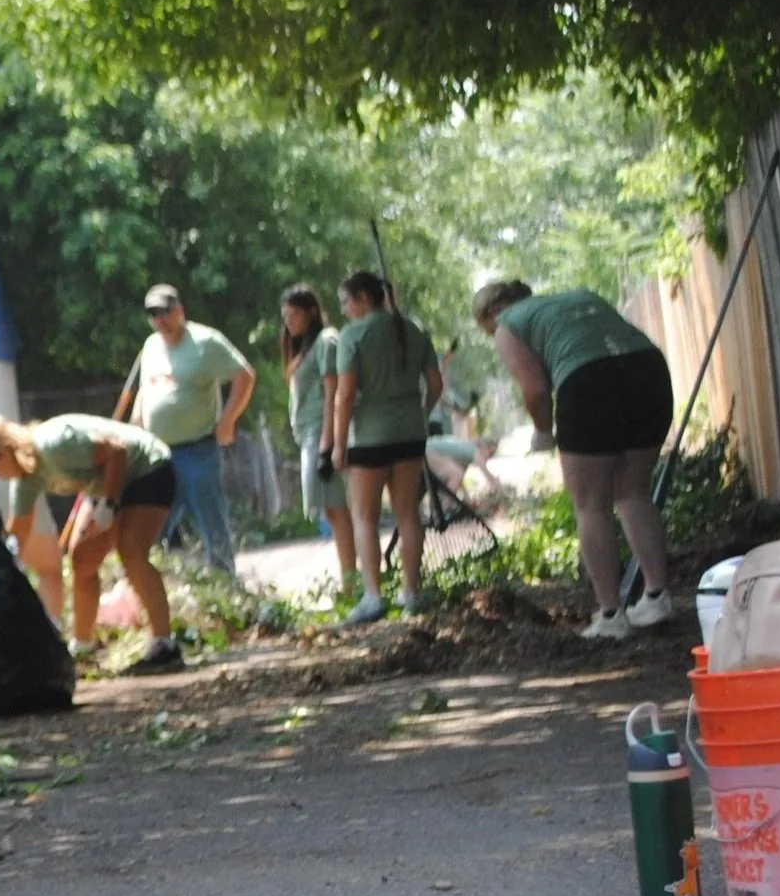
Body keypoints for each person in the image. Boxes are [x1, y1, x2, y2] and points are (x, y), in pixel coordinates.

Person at [472, 278, 675, 640]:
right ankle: (657, 597)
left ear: (490, 313)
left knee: (591, 504)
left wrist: (543, 432)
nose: (492, 336)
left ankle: (611, 615)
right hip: (648, 372)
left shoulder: (507, 325)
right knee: (632, 492)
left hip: (588, 381)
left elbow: (534, 389)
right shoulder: (579, 296)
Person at [0, 415, 182, 674]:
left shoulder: (54, 443)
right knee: (82, 561)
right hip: (111, 488)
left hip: (148, 469)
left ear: (5, 450)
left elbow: (117, 452)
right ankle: (83, 648)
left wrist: (107, 508)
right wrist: (2, 565)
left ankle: (164, 646)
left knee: (131, 552)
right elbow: (19, 530)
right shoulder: (27, 479)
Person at [113, 285, 254, 576]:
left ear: (180, 310)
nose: (159, 319)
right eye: (153, 314)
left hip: (197, 449)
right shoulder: (150, 346)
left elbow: (244, 376)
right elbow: (144, 393)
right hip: (157, 454)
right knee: (153, 522)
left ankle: (225, 584)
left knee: (211, 521)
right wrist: (133, 436)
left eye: (164, 312)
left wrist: (227, 420)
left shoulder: (205, 342)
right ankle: (159, 586)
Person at [329, 271, 444, 624]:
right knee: (408, 512)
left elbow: (345, 394)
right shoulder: (412, 330)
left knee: (364, 516)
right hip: (410, 433)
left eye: (346, 302)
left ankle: (373, 596)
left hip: (369, 437)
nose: (345, 311)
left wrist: (337, 444)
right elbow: (435, 383)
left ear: (363, 298)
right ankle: (412, 593)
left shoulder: (353, 336)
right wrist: (420, 412)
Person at [279, 284, 356, 599]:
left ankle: (352, 583)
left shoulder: (326, 341)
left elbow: (333, 393)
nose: (290, 323)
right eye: (285, 317)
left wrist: (328, 443)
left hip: (321, 435)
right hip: (308, 435)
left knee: (338, 509)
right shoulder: (302, 348)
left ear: (311, 311)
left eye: (295, 315)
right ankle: (351, 580)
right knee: (330, 510)